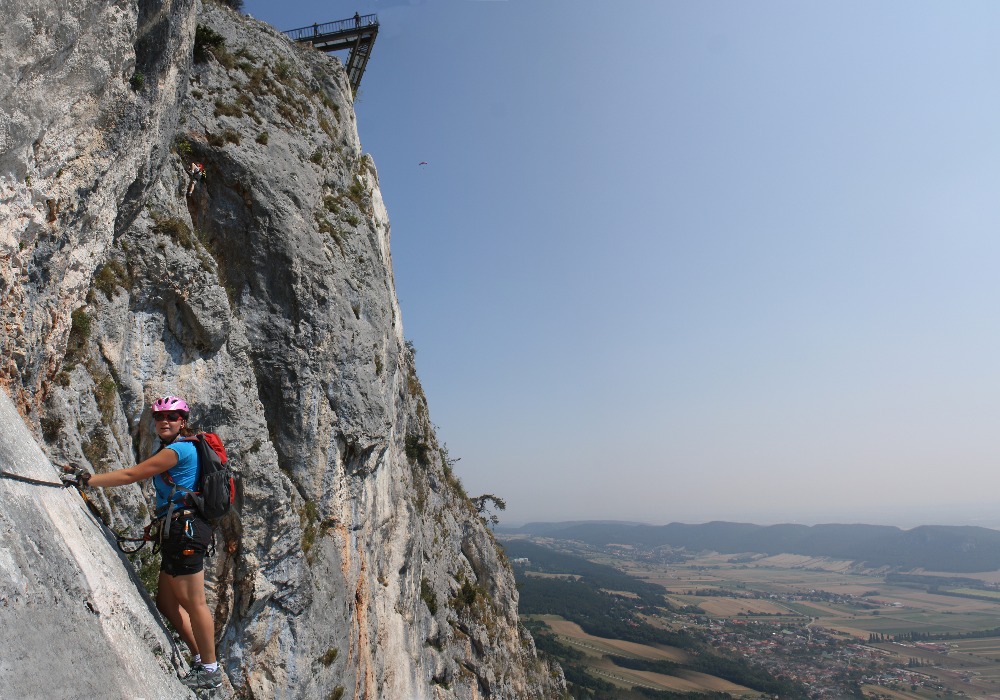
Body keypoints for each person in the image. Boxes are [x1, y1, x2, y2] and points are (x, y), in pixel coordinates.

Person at [63, 396, 221, 691]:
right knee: (166, 601)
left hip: (185, 531)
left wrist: (88, 479)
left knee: (193, 601)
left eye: (172, 416)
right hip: (176, 528)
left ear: (182, 421)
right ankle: (200, 656)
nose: (164, 421)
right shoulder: (183, 449)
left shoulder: (178, 451)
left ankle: (210, 670)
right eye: (159, 416)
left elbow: (131, 475)